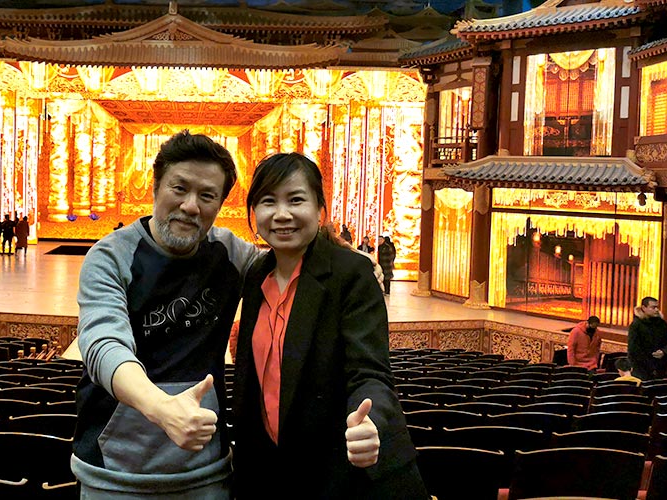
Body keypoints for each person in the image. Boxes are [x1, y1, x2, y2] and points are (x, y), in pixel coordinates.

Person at [72, 130, 260, 498]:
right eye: (179, 188)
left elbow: (289, 269)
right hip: (114, 474)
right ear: (155, 187)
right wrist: (161, 408)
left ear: (220, 205)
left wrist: (355, 264)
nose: (191, 206)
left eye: (207, 196)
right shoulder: (111, 257)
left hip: (205, 473)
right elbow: (103, 343)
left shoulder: (232, 256)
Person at [232, 152, 427, 499]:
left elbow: (370, 372)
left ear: (320, 209)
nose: (281, 214)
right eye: (268, 202)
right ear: (254, 212)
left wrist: (370, 421)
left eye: (296, 200)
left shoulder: (351, 274)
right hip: (273, 474)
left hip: (339, 473)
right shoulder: (255, 276)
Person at [627, 296, 667, 380]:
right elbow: (633, 348)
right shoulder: (636, 325)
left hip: (660, 367)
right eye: (653, 307)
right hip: (641, 369)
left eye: (657, 307)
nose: (656, 310)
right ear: (644, 308)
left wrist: (664, 351)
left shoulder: (662, 323)